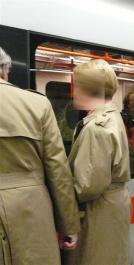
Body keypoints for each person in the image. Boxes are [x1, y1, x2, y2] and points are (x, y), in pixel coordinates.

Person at [0, 47, 80, 264]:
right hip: (29, 211)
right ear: (5, 70)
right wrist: (69, 227)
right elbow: (58, 170)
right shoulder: (36, 104)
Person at [63, 59, 131, 265]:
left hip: (98, 212)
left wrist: (59, 195)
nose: (73, 93)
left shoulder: (96, 128)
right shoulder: (112, 116)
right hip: (112, 206)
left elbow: (87, 186)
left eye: (76, 86)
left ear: (86, 89)